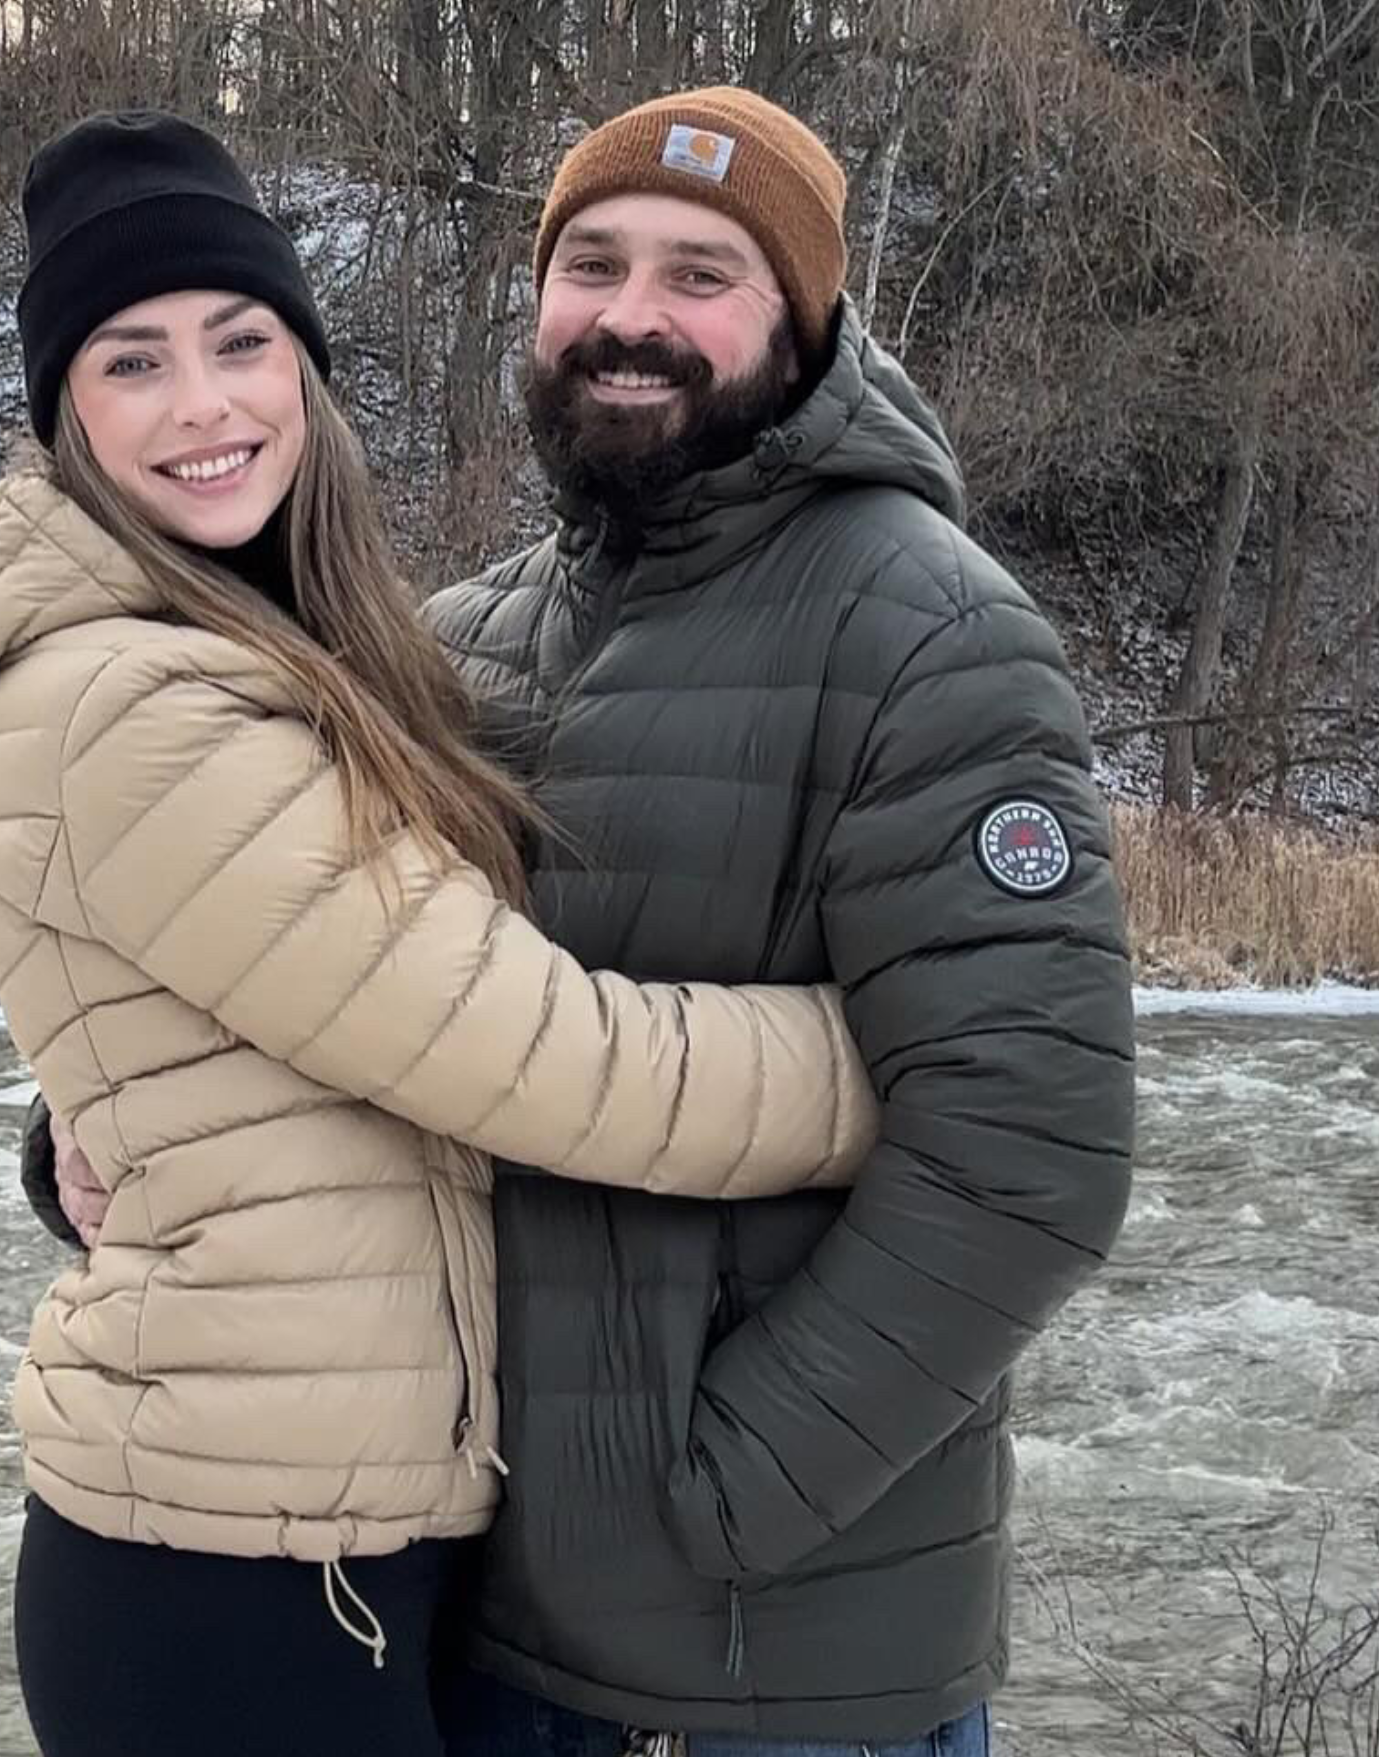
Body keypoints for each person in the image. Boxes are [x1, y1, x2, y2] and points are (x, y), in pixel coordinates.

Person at [0, 110, 883, 1757]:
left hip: (341, 1533)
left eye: (240, 342)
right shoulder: (133, 704)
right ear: (64, 417)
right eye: (131, 364)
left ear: (306, 370)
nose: (204, 405)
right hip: (231, 1576)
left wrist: (79, 1134)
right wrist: (901, 1063)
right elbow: (549, 1062)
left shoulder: (306, 652)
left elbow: (237, 1038)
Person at [418, 88, 1139, 1755]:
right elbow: (326, 999)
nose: (631, 317)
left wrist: (709, 1505)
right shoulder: (455, 644)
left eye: (701, 273)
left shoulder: (932, 635)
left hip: (768, 1681)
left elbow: (1029, 1160)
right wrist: (104, 1143)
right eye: (591, 262)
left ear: (802, 326)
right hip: (472, 1623)